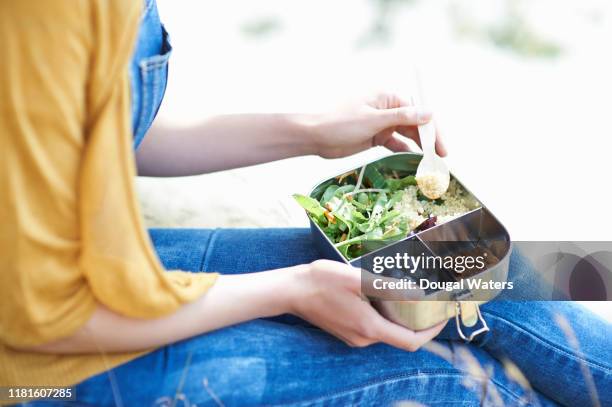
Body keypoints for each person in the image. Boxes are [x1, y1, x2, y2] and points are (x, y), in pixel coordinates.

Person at [0, 1, 609, 406]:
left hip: (90, 268)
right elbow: (41, 315)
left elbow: (104, 134)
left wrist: (310, 131)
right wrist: (289, 290)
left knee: (472, 268)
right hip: (41, 371)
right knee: (464, 386)